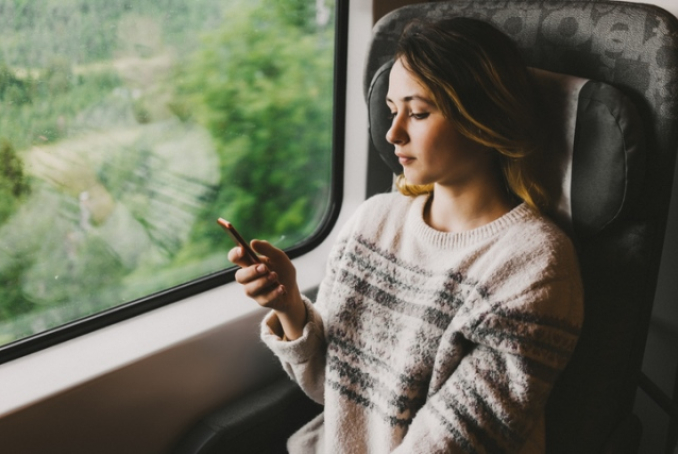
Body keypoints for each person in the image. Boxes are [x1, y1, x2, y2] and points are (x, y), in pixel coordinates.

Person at [228, 17, 584, 454]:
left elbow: (453, 442)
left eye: (417, 113)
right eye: (392, 111)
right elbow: (332, 389)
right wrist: (289, 307)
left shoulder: (534, 265)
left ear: (483, 116)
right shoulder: (372, 223)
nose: (392, 133)